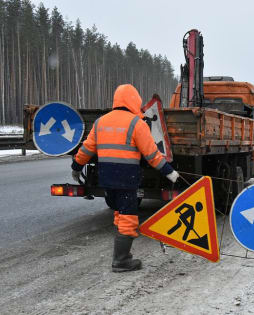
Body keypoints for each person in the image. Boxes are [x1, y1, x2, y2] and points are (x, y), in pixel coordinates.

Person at [71, 84, 179, 273]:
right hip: (127, 179)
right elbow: (152, 155)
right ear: (134, 101)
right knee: (128, 217)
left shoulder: (100, 122)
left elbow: (87, 149)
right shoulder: (137, 124)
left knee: (119, 214)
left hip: (106, 179)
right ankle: (121, 261)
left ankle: (122, 256)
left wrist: (76, 167)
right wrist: (169, 172)